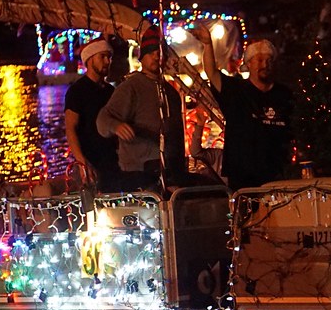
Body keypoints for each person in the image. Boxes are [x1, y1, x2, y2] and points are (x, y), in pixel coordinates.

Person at [192, 24, 294, 190]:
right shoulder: (235, 90)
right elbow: (212, 73)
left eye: (269, 60)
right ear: (249, 64)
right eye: (259, 60)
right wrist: (208, 44)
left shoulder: (284, 94)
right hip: (243, 175)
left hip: (278, 174)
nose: (265, 64)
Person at [96, 26, 185, 191]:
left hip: (170, 172)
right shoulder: (130, 87)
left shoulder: (171, 92)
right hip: (138, 173)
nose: (156, 56)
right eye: (151, 53)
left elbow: (178, 135)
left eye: (159, 52)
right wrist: (116, 126)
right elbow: (103, 119)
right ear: (142, 57)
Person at [64, 37, 120, 191]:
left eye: (109, 57)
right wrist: (82, 163)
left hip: (111, 161)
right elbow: (70, 128)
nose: (107, 61)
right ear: (89, 60)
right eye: (102, 57)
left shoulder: (111, 91)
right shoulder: (77, 91)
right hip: (90, 161)